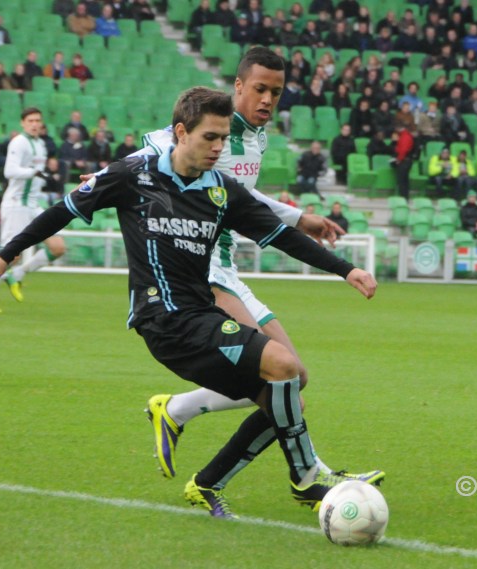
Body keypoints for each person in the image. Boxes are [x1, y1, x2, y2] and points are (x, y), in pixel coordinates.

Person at [0, 86, 380, 518]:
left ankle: (208, 483)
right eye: (210, 137)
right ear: (180, 132)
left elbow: (281, 236)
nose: (218, 147)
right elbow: (62, 210)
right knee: (283, 366)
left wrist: (346, 269)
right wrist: (6, 254)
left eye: (224, 138)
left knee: (285, 399)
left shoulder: (221, 190)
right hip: (163, 319)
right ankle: (305, 477)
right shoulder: (133, 174)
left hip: (200, 316)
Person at [105, 49, 381, 500]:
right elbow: (156, 147)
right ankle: (309, 474)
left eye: (276, 90)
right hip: (201, 267)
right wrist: (104, 176)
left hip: (229, 267)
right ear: (237, 87)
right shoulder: (211, 129)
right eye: (260, 89)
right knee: (280, 376)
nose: (269, 98)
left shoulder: (256, 138)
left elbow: (244, 200)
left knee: (296, 380)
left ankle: (179, 414)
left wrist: (296, 217)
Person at [0, 108, 67, 313]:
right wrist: (34, 172)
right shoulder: (19, 142)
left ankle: (18, 275)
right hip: (17, 204)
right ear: (23, 123)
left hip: (33, 203)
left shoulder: (41, 144)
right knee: (10, 255)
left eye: (37, 121)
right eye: (30, 120)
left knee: (58, 248)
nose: (34, 124)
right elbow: (9, 171)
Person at [393, 123, 415, 200]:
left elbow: (403, 150)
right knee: (404, 179)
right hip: (406, 160)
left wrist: (399, 159)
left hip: (404, 160)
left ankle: (403, 197)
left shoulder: (404, 137)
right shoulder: (406, 136)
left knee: (402, 179)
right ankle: (405, 197)